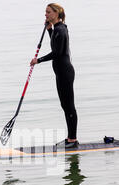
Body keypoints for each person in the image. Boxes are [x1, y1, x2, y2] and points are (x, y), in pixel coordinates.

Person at [30, 3, 79, 149]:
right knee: (65, 106)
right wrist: (49, 30)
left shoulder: (61, 30)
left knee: (69, 106)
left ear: (56, 13)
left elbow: (57, 53)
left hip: (65, 72)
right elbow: (56, 46)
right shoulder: (57, 29)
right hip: (61, 73)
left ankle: (73, 140)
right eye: (45, 12)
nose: (46, 15)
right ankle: (70, 138)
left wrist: (38, 60)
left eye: (48, 12)